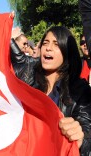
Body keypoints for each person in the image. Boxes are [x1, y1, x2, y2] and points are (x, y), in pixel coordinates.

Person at [11, 26, 91, 155]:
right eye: (45, 43)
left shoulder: (80, 90)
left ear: (67, 51)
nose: (48, 48)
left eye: (56, 44)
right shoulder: (27, 72)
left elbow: (86, 130)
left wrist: (81, 138)